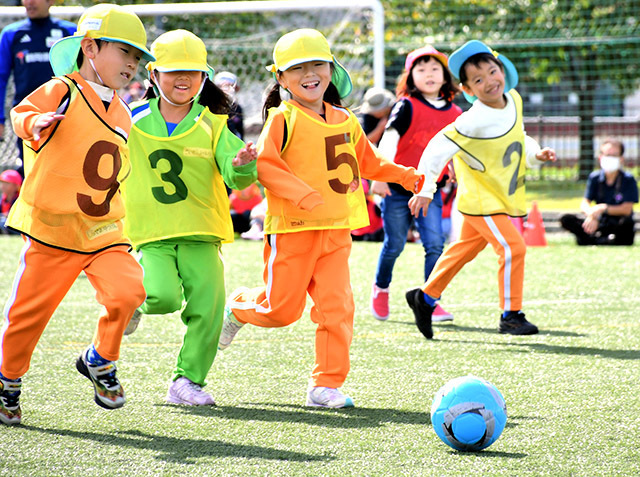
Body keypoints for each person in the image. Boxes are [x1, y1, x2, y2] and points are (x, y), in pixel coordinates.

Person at [216, 28, 424, 409]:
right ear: (280, 78)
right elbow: (266, 165)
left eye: (317, 64)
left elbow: (369, 161)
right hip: (292, 231)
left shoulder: (345, 118)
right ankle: (238, 307)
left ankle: (324, 385)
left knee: (338, 309)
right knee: (280, 311)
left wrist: (407, 176)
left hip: (335, 231)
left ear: (330, 69)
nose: (310, 73)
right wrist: (303, 195)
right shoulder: (282, 118)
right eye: (298, 68)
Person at [0, 4, 153, 426]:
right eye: (124, 52)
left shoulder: (123, 110)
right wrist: (35, 124)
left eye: (137, 57)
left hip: (103, 231)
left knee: (128, 292)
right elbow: (21, 115)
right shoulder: (61, 89)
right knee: (25, 320)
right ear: (89, 47)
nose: (132, 63)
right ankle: (7, 380)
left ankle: (100, 358)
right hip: (52, 231)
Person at [120, 29, 257, 406]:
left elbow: (235, 173)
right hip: (152, 232)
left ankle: (187, 382)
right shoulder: (128, 119)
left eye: (193, 73)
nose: (183, 80)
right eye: (173, 72)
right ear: (153, 75)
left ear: (204, 78)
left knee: (209, 310)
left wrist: (244, 165)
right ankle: (131, 302)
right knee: (161, 297)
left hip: (203, 231)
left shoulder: (214, 121)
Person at [405, 40, 557, 340]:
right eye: (478, 79)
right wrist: (425, 188)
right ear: (468, 90)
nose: (489, 81)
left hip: (501, 195)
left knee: (463, 251)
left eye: (492, 71)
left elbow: (518, 137)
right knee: (514, 248)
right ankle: (511, 316)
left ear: (503, 70)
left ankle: (424, 298)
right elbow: (436, 149)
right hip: (480, 200)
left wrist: (536, 153)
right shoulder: (470, 121)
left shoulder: (513, 99)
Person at [370, 46, 462, 322]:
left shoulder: (456, 112)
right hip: (398, 188)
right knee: (395, 244)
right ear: (411, 78)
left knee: (435, 244)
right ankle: (381, 288)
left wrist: (456, 169)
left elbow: (456, 147)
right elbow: (389, 140)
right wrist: (380, 176)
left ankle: (429, 300)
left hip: (429, 189)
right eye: (421, 69)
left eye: (435, 68)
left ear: (445, 76)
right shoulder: (406, 105)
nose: (429, 74)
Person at [0, 0, 76, 177]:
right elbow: (1, 78)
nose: (29, 2)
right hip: (27, 117)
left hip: (65, 115)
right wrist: (0, 118)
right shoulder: (11, 34)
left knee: (66, 171)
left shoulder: (70, 32)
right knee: (32, 173)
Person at [560, 138, 638, 245]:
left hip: (617, 222)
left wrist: (602, 208)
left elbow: (626, 209)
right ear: (601, 157)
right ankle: (598, 238)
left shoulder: (628, 179)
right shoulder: (594, 177)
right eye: (607, 155)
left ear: (621, 159)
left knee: (627, 223)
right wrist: (592, 215)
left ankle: (595, 240)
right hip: (600, 221)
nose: (610, 158)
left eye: (614, 155)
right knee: (567, 219)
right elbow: (585, 203)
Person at [214, 71, 244, 139]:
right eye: (221, 86)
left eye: (230, 86)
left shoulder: (237, 109)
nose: (225, 89)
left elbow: (240, 131)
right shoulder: (211, 107)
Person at [0, 168, 22, 234]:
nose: (3, 186)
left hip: (17, 227)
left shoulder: (20, 200)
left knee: (3, 222)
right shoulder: (3, 199)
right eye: (2, 182)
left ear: (16, 186)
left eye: (7, 183)